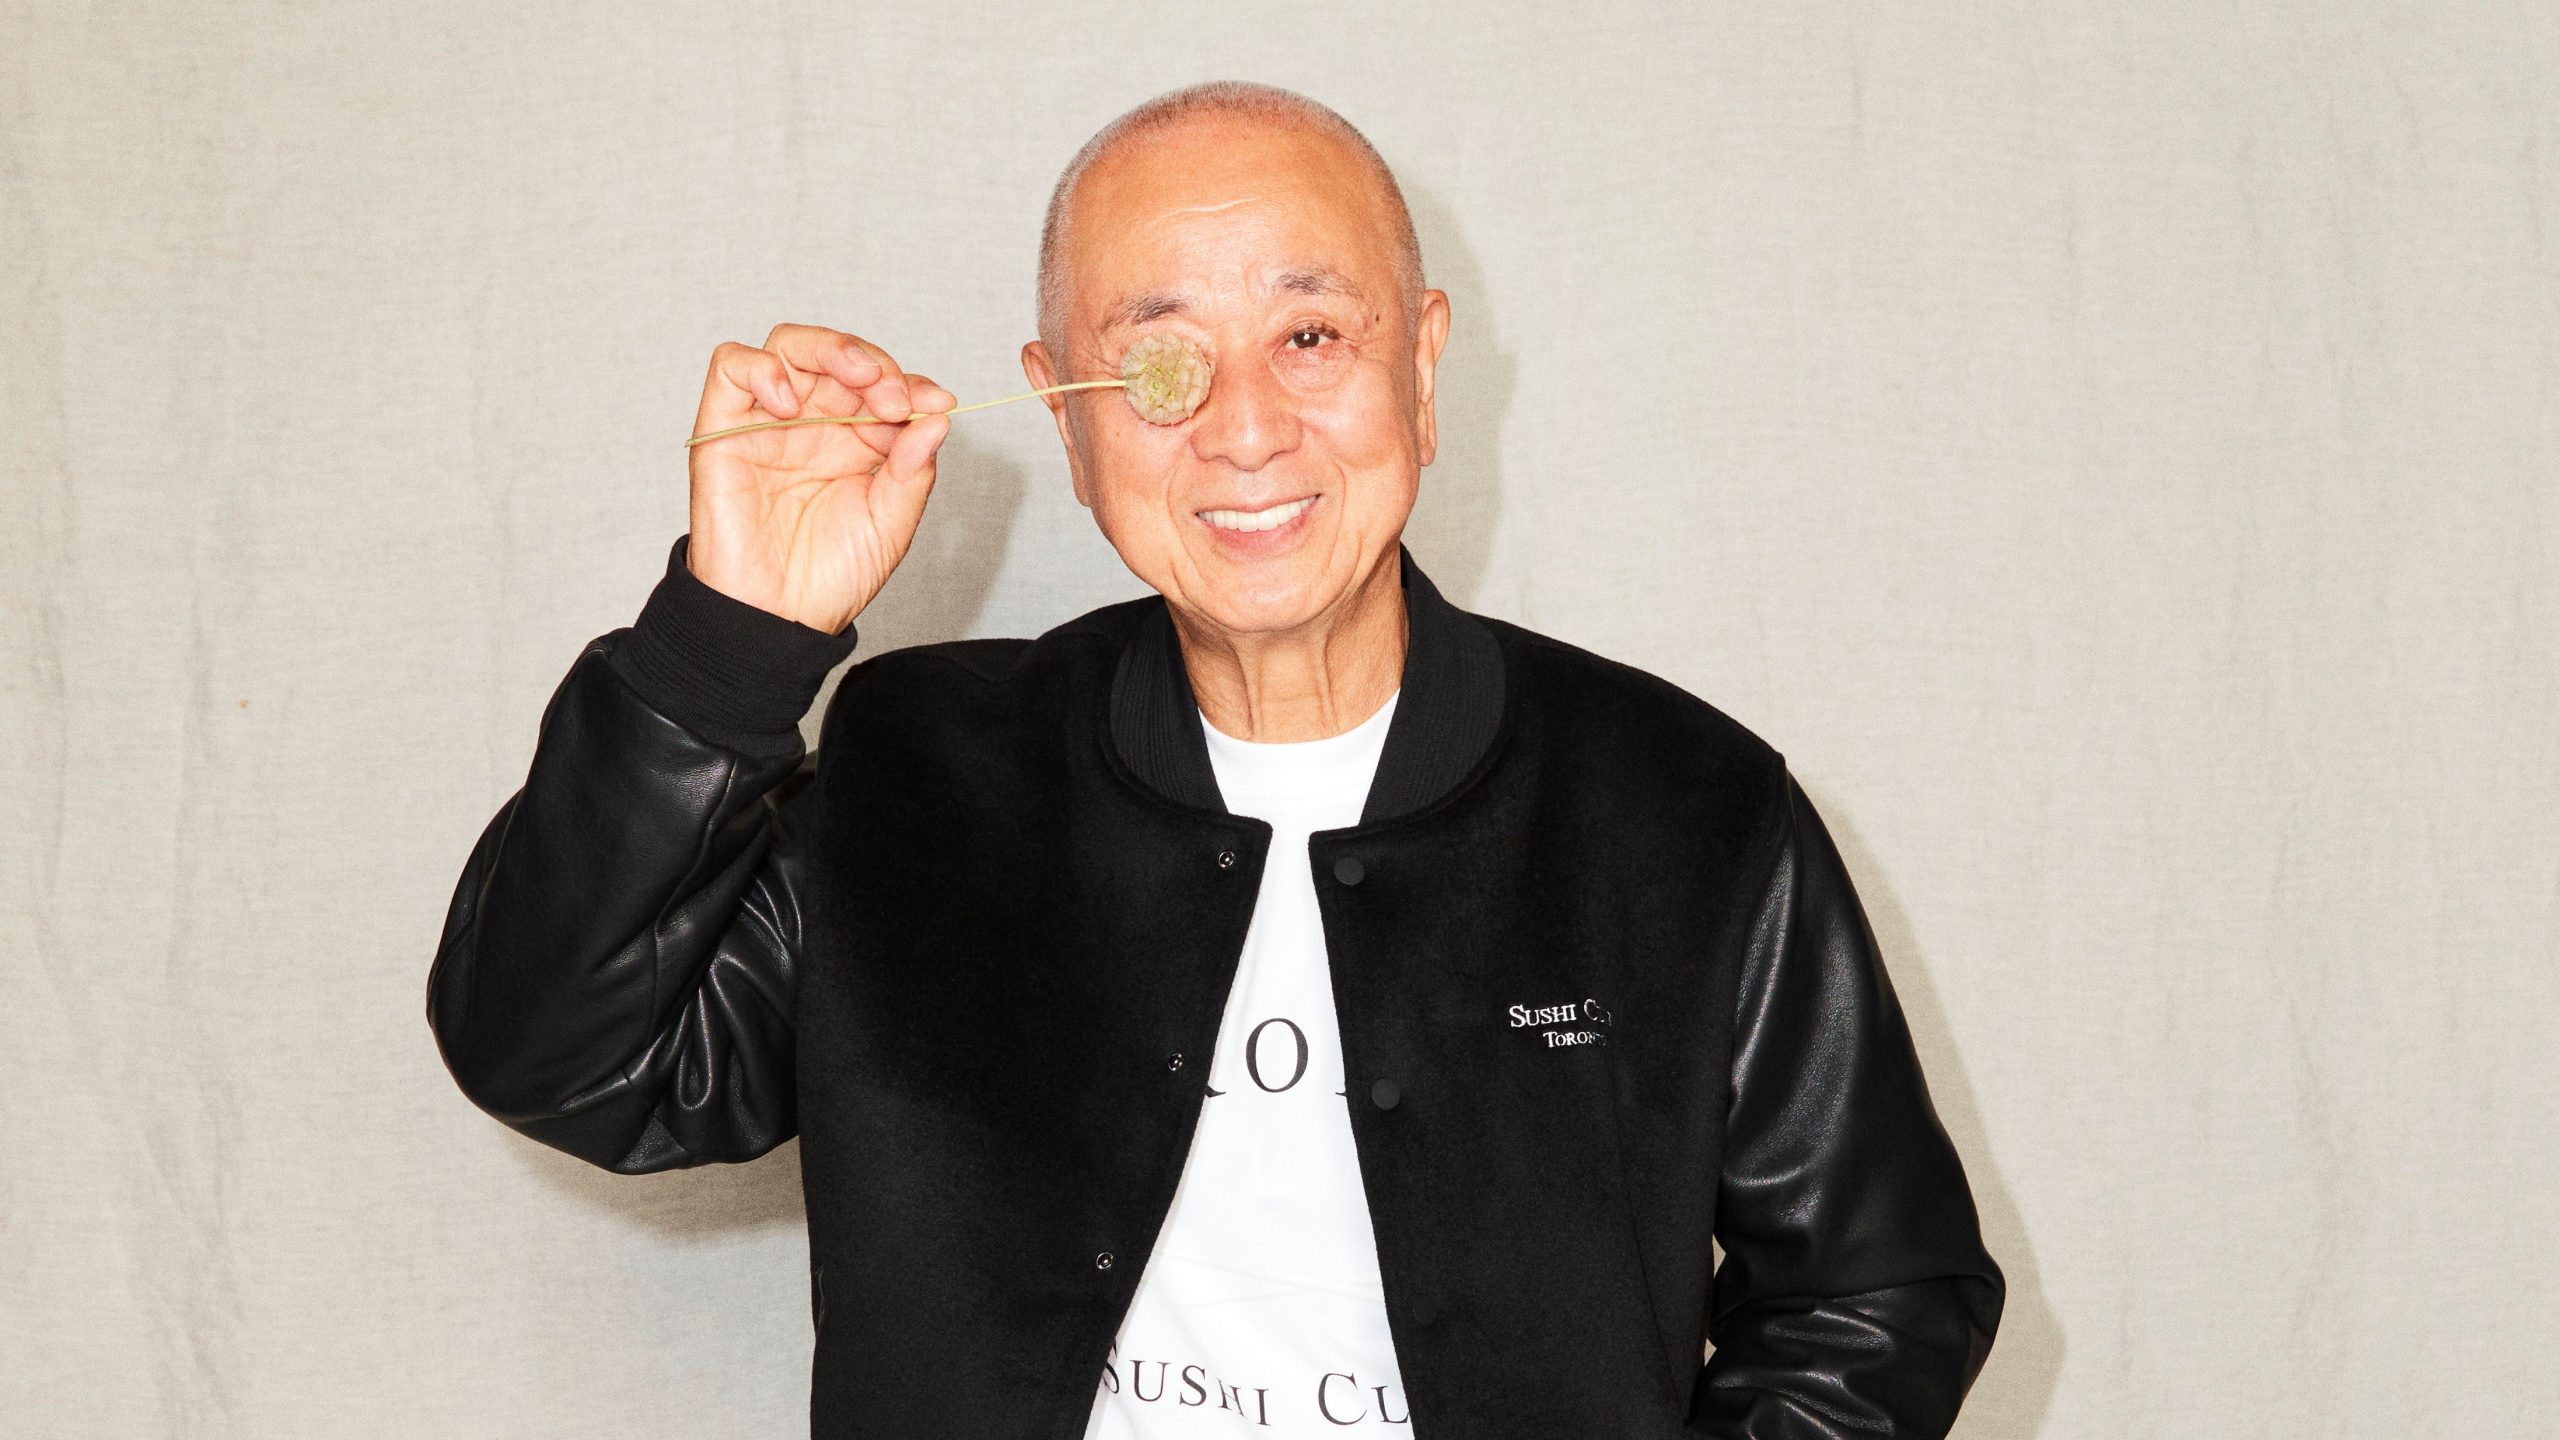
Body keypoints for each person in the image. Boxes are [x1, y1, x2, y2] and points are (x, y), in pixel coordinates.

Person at [426, 80, 2004, 1439]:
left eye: (1312, 335)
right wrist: (726, 641)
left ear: (1424, 368)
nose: (1246, 429)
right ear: (1065, 412)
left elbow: (1879, 1288)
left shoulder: (1681, 811)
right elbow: (567, 1053)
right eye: (1163, 365)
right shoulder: (922, 781)